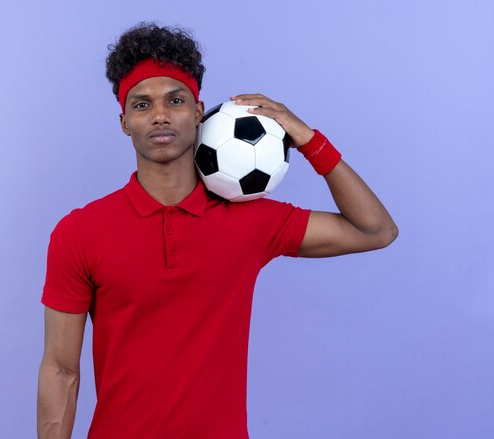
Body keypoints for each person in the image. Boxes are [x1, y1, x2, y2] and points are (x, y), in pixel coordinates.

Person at [37, 22, 398, 439]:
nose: (159, 115)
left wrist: (307, 137)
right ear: (123, 122)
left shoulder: (251, 220)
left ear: (197, 111)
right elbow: (61, 369)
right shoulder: (80, 231)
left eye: (174, 100)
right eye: (141, 105)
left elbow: (376, 230)